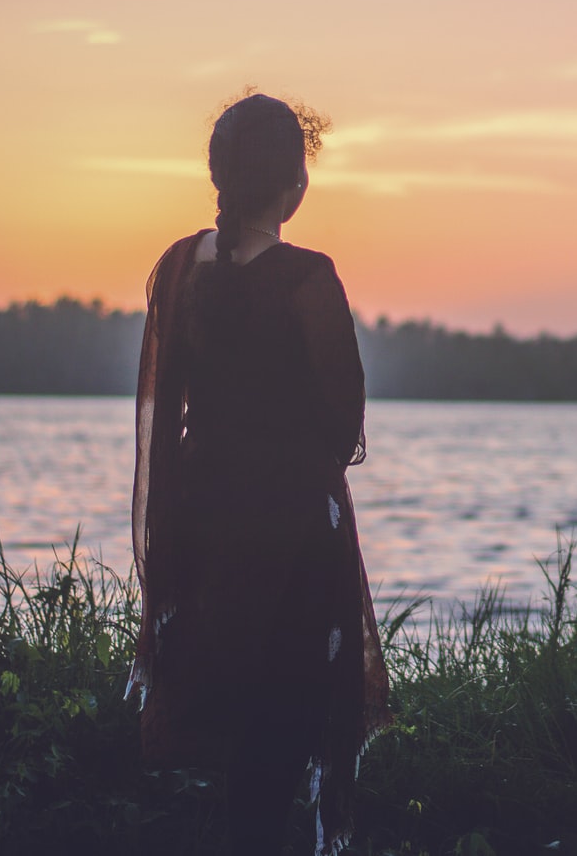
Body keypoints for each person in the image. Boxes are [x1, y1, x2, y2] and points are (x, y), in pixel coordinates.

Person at [128, 93, 389, 854]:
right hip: (291, 539)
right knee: (279, 732)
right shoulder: (309, 278)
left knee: (242, 729)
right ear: (289, 183)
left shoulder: (178, 267)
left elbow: (167, 406)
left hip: (204, 527)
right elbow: (343, 423)